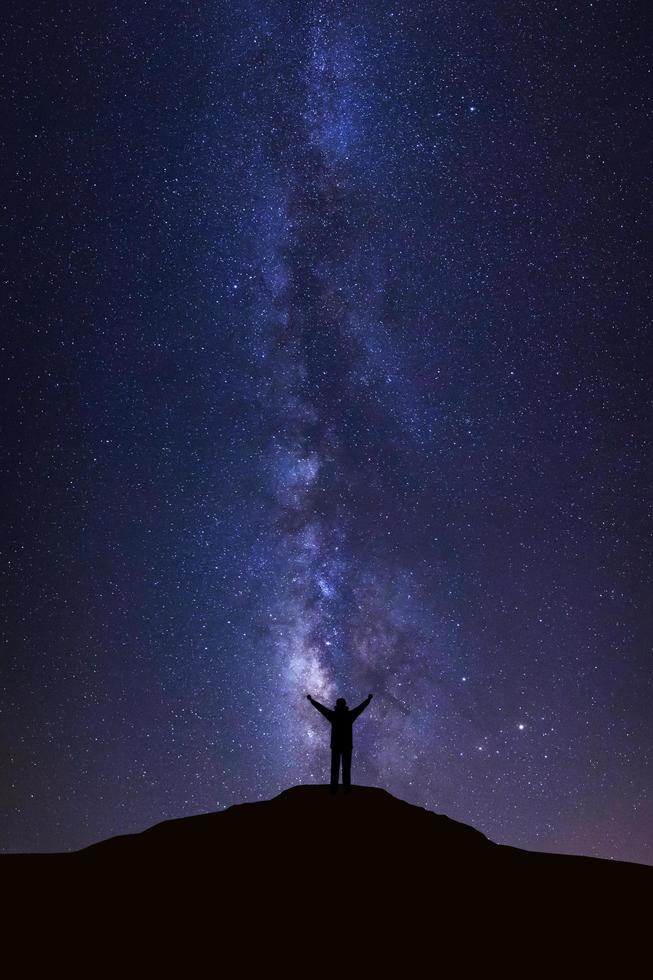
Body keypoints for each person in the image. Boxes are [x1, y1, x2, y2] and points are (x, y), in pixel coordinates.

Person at [306, 692, 373, 793]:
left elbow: (321, 709)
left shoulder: (334, 715)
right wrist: (368, 700)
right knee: (346, 770)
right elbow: (360, 708)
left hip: (336, 746)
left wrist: (312, 701)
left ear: (337, 705)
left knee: (335, 770)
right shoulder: (349, 715)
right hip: (346, 746)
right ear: (344, 705)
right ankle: (346, 791)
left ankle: (334, 791)